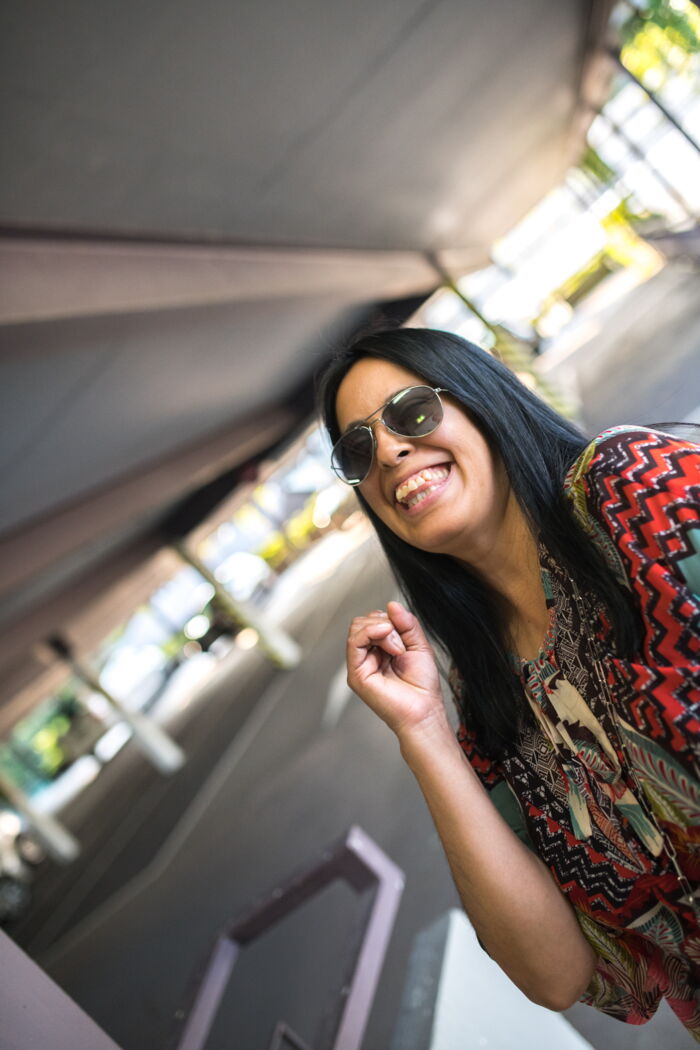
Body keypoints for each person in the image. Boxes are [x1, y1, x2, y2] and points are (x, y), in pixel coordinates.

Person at [317, 327, 700, 1038]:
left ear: (482, 400)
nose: (391, 452)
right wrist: (424, 732)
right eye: (359, 449)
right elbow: (555, 973)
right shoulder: (486, 697)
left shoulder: (630, 489)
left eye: (411, 412)